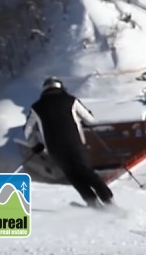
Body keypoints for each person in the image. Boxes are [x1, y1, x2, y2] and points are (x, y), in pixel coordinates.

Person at [23, 77, 115, 209]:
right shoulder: (71, 100)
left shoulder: (36, 107)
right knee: (87, 172)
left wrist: (35, 145)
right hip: (75, 144)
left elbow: (27, 130)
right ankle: (108, 201)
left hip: (55, 149)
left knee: (73, 176)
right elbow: (91, 120)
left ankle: (92, 202)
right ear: (61, 88)